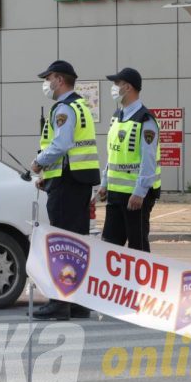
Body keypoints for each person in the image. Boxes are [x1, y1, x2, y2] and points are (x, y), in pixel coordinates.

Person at [29, 60, 100, 320]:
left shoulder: (64, 108)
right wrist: (47, 175)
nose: (46, 84)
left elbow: (61, 144)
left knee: (61, 244)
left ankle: (59, 303)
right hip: (78, 181)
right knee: (77, 243)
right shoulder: (81, 105)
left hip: (67, 185)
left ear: (59, 80)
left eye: (48, 79)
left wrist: (38, 164)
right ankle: (78, 302)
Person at [97, 67, 161, 252]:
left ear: (129, 87)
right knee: (109, 246)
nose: (114, 88)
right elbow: (112, 154)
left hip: (135, 196)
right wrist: (105, 182)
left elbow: (148, 160)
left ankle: (143, 282)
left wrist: (140, 192)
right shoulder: (117, 117)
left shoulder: (145, 120)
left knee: (137, 247)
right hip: (115, 193)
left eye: (117, 84)